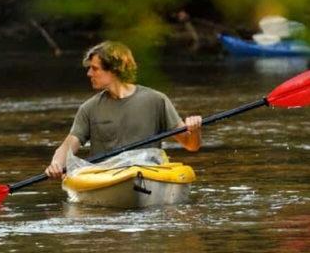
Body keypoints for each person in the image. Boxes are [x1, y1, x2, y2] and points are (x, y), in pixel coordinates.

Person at [45, 41, 202, 179]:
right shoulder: (89, 108)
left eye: (95, 69)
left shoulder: (156, 100)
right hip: (105, 178)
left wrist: (194, 130)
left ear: (114, 69)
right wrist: (56, 164)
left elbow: (191, 145)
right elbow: (69, 145)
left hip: (147, 174)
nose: (89, 73)